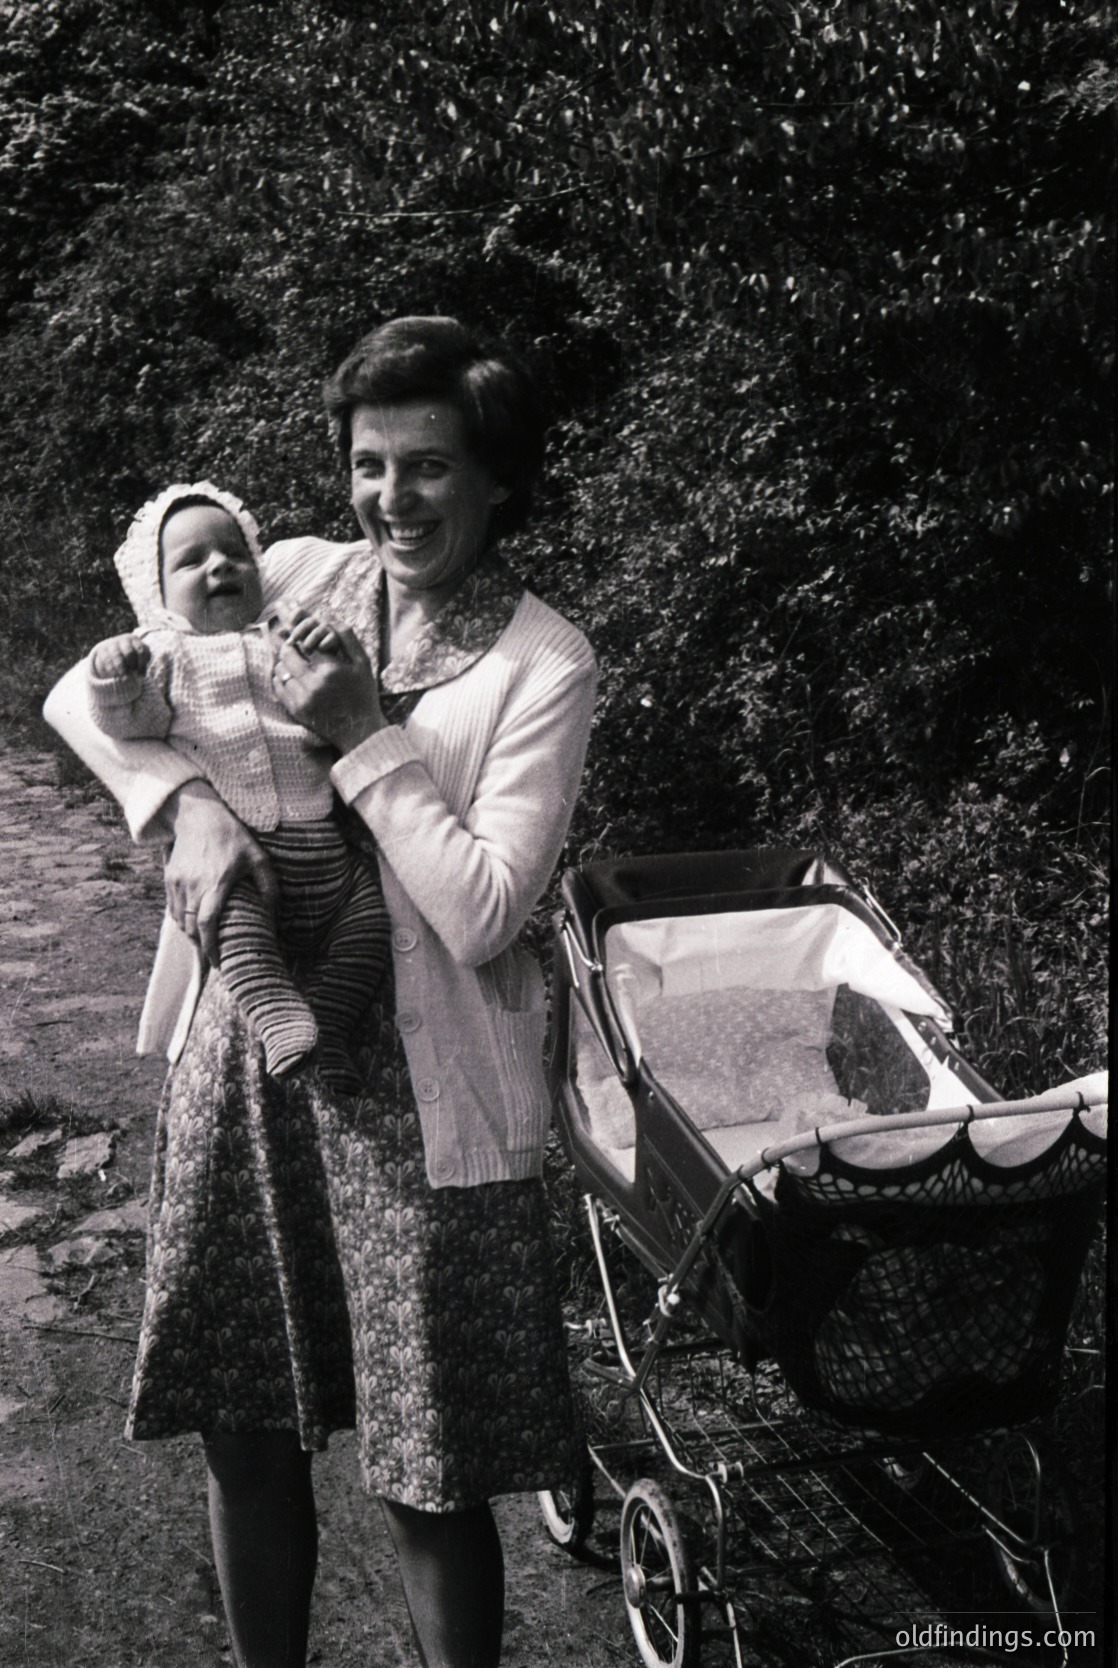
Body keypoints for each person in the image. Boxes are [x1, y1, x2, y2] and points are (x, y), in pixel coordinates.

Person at [43, 315, 597, 1668]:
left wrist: (361, 735)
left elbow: (481, 912)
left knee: (430, 1467)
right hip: (254, 1055)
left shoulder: (542, 664)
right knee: (244, 1426)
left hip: (427, 1105)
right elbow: (79, 691)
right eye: (367, 465)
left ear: (497, 478)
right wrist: (183, 807)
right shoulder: (301, 572)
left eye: (428, 467)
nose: (390, 500)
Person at [80, 480, 388, 1091]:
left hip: (327, 852)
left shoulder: (281, 634)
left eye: (235, 553)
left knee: (370, 925)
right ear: (158, 593)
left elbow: (329, 704)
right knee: (228, 922)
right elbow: (128, 726)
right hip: (242, 860)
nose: (220, 565)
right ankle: (274, 1012)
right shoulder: (163, 654)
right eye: (191, 561)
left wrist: (322, 650)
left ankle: (327, 1024)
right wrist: (113, 677)